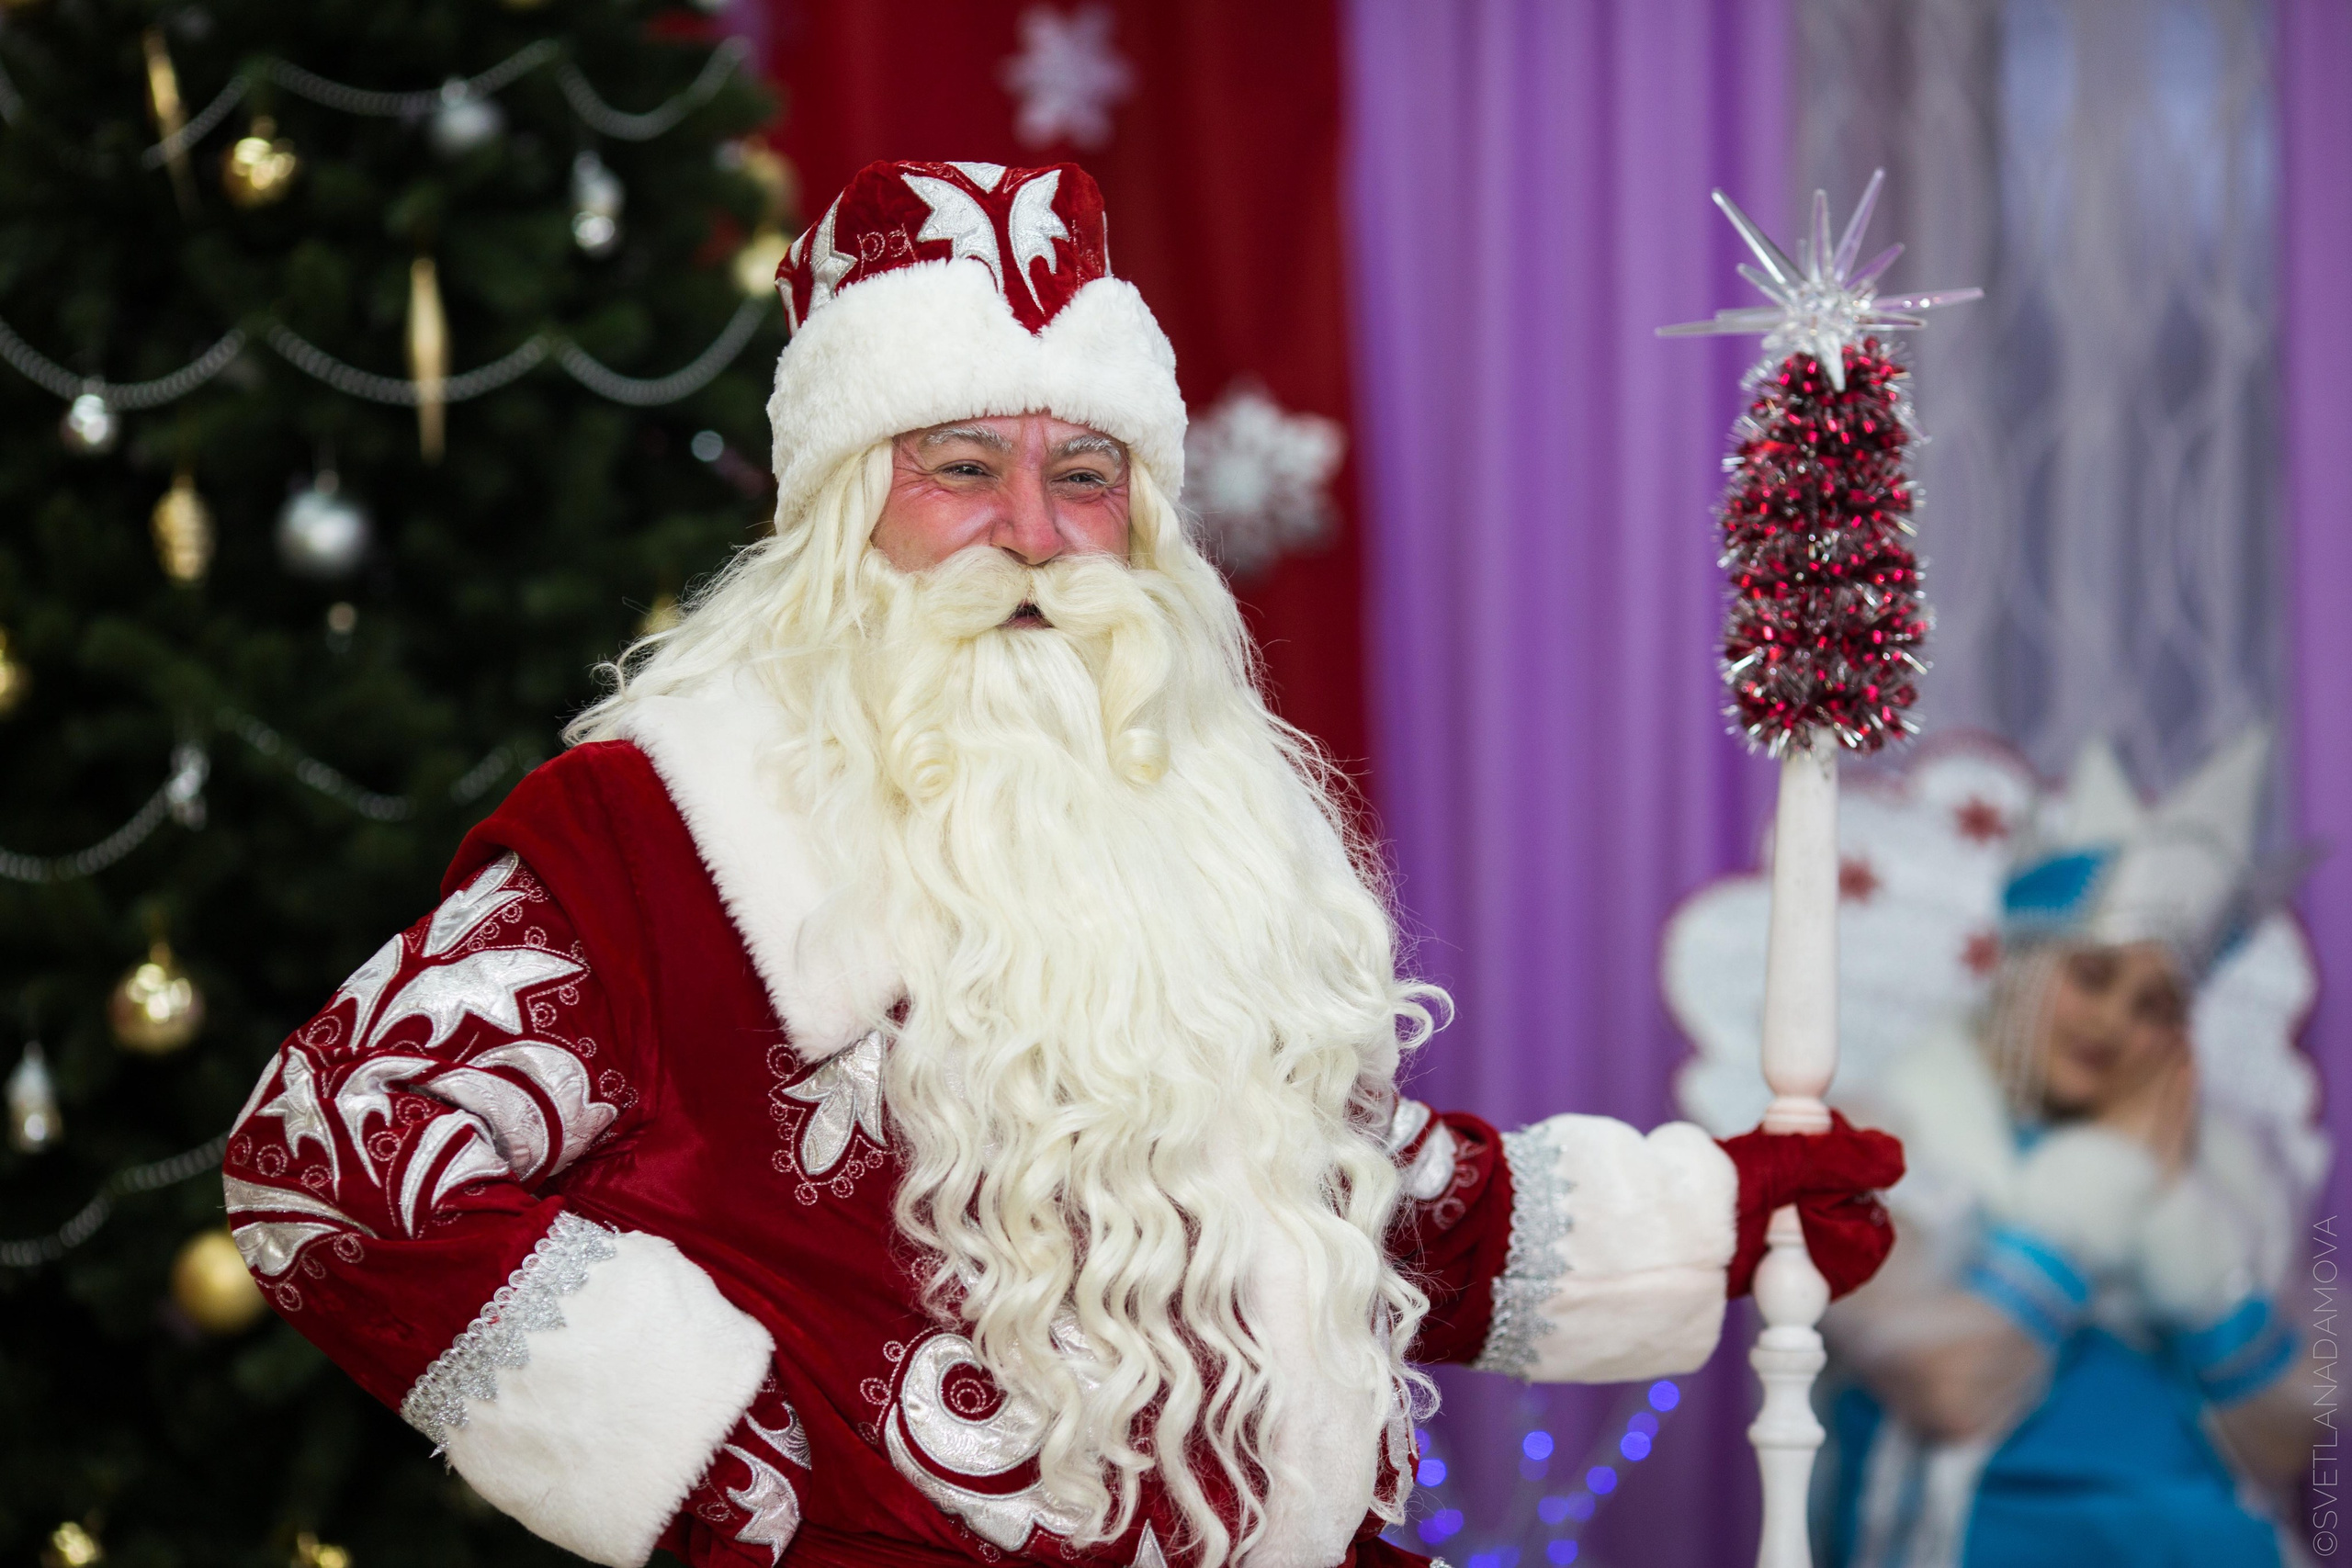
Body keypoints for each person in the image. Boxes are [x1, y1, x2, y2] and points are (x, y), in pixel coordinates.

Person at [221, 160, 1898, 1568]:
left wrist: (1703, 1220)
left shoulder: (1189, 805)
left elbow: (1334, 1194)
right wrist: (738, 1481)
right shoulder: (663, 831)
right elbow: (333, 1169)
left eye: (1084, 474)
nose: (1033, 530)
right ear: (838, 509)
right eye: (961, 464)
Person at [1669, 729, 2324, 1568]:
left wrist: (2184, 1238)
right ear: (2021, 966)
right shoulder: (1880, 1142)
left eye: (2155, 1004)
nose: (2116, 1024)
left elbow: (2279, 1443)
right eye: (2092, 977)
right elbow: (1949, 1389)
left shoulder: (2214, 1173)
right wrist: (2097, 1188)